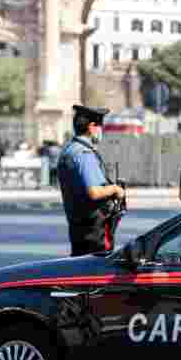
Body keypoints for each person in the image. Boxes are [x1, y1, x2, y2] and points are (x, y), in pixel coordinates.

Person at [56, 105, 127, 256]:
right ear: (92, 127)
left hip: (78, 225)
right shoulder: (84, 154)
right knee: (96, 270)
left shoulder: (69, 151)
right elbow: (94, 192)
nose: (102, 130)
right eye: (100, 126)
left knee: (81, 268)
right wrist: (115, 189)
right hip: (94, 230)